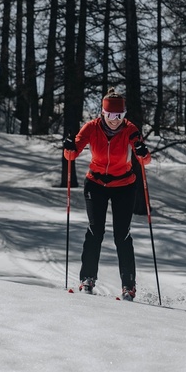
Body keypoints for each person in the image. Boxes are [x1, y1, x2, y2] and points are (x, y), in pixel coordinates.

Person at [63, 87, 151, 301]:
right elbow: (71, 154)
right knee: (95, 230)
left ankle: (128, 285)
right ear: (102, 113)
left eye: (119, 116)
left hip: (124, 185)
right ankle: (87, 278)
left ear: (124, 115)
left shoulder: (130, 129)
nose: (114, 120)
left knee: (122, 235)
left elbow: (145, 159)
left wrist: (142, 153)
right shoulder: (91, 128)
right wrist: (69, 147)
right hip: (96, 184)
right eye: (110, 115)